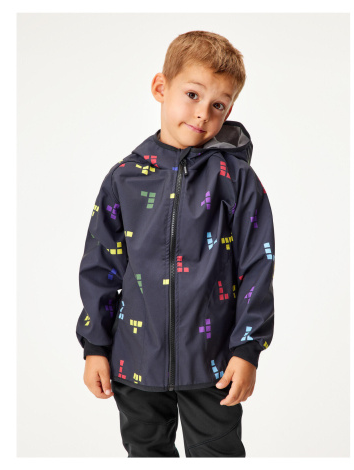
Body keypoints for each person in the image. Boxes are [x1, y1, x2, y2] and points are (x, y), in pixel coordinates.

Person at [76, 30, 275, 458]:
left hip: (214, 362)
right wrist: (95, 346)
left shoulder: (236, 180)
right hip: (135, 362)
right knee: (146, 455)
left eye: (218, 105)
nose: (203, 113)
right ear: (160, 87)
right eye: (192, 94)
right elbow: (101, 265)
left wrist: (247, 349)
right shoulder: (124, 178)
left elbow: (257, 265)